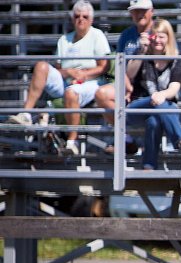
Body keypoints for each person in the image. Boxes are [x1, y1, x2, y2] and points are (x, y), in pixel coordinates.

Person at [6, 0, 110, 156]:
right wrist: (69, 73)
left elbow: (104, 67)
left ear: (91, 20)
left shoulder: (97, 35)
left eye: (85, 16)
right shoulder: (64, 40)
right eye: (77, 16)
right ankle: (26, 114)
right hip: (66, 80)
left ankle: (71, 141)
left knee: (71, 92)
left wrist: (83, 75)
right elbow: (59, 69)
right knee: (41, 66)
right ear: (72, 18)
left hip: (91, 82)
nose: (80, 19)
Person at [125, 18, 181, 170]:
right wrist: (142, 52)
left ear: (169, 38)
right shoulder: (143, 55)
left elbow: (174, 88)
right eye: (154, 36)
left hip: (160, 108)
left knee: (153, 121)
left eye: (162, 36)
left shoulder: (175, 59)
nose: (157, 40)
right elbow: (129, 74)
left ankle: (148, 166)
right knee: (164, 105)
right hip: (138, 107)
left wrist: (161, 95)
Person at [95, 0, 155, 155]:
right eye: (135, 11)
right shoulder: (126, 35)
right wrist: (127, 86)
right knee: (101, 94)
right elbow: (120, 66)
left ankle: (126, 140)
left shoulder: (160, 32)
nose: (139, 14)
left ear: (151, 11)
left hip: (152, 86)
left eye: (143, 10)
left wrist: (145, 51)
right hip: (127, 83)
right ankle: (126, 138)